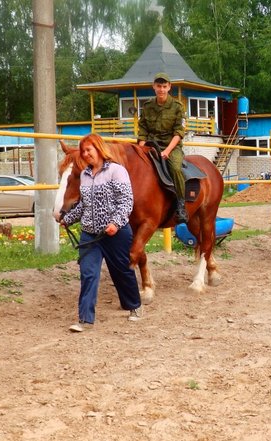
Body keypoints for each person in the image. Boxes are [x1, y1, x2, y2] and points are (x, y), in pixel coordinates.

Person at [55, 133, 143, 332]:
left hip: (115, 233)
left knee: (122, 271)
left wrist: (115, 223)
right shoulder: (85, 175)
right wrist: (67, 219)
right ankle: (85, 319)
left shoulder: (116, 171)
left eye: (89, 150)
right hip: (90, 234)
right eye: (84, 151)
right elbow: (83, 206)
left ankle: (134, 306)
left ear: (99, 149)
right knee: (88, 274)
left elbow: (126, 202)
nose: (86, 154)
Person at [138, 72, 188, 224]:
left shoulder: (178, 107)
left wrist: (166, 151)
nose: (161, 89)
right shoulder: (147, 106)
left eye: (164, 86)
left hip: (171, 146)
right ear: (154, 87)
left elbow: (179, 132)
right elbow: (143, 129)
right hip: (151, 144)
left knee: (176, 168)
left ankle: (181, 204)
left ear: (169, 87)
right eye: (158, 86)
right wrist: (141, 148)